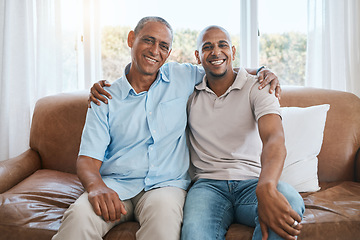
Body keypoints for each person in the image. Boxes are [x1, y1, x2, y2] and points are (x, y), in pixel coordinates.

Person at [61, 16, 279, 240]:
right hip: (116, 185)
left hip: (165, 187)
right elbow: (87, 159)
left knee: (163, 230)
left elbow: (221, 67)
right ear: (131, 39)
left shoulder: (181, 76)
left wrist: (263, 70)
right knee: (78, 218)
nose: (155, 50)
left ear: (169, 52)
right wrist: (96, 186)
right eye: (148, 40)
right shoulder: (105, 97)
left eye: (163, 46)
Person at [180, 26, 305, 240]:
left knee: (289, 204)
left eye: (223, 45)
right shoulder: (188, 91)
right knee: (195, 234)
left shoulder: (258, 86)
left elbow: (274, 138)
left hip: (252, 182)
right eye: (207, 47)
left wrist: (266, 186)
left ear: (233, 52)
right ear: (197, 56)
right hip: (207, 187)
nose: (216, 52)